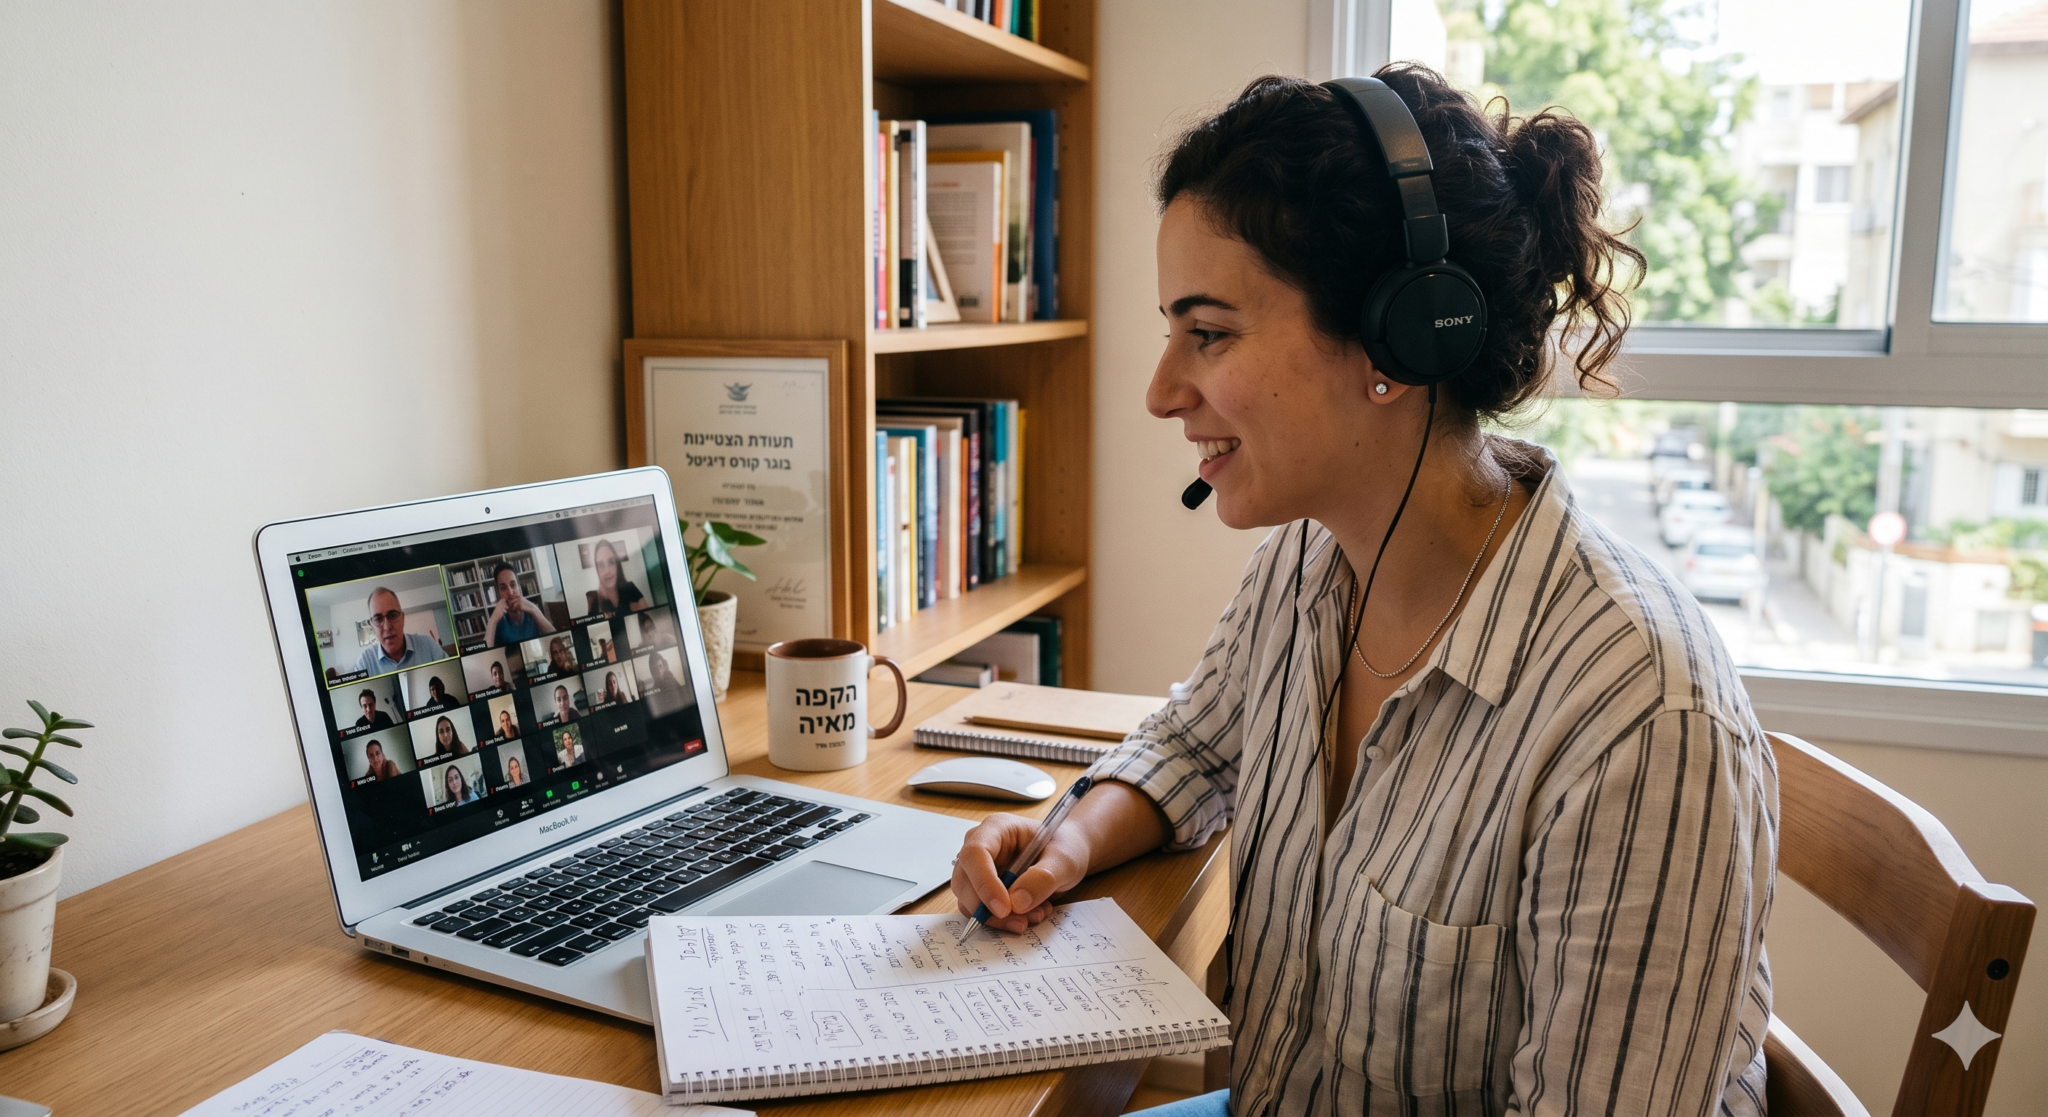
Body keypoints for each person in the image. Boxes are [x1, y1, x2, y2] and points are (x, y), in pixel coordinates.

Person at [950, 70, 1776, 1117]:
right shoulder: (1311, 561)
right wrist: (1068, 838)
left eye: (1206, 333)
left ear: (1398, 344)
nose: (1161, 391)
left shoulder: (1639, 723)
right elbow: (1198, 743)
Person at [354, 587, 449, 675]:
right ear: (372, 626)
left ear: (402, 618)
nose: (387, 627)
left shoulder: (427, 645)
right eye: (378, 619)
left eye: (393, 615)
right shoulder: (364, 663)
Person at [483, 562, 555, 648]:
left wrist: (534, 609)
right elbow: (485, 654)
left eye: (513, 585)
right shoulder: (499, 621)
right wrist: (493, 620)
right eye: (503, 588)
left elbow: (556, 640)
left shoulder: (533, 612)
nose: (510, 592)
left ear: (519, 588)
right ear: (499, 594)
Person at [586, 538, 647, 618]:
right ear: (597, 570)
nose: (607, 570)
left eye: (611, 562)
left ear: (617, 565)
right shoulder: (594, 600)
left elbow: (648, 617)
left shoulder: (630, 588)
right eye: (601, 565)